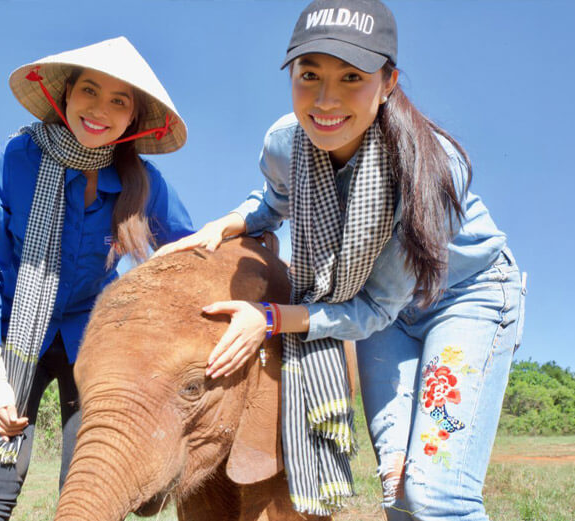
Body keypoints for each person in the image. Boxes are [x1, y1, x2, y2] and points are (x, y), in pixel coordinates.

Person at [155, 0, 526, 519]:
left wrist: (268, 319)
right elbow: (272, 201)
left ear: (389, 81)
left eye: (352, 76)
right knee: (397, 487)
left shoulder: (430, 169)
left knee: (435, 494)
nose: (326, 100)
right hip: (376, 308)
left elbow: (374, 309)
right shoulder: (286, 143)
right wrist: (224, 224)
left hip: (463, 297)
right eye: (310, 75)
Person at [0, 37, 194, 520]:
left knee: (89, 487)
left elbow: (189, 253)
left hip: (96, 341)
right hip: (15, 338)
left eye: (119, 101)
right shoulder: (10, 161)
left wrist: (250, 235)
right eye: (89, 90)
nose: (100, 109)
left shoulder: (144, 183)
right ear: (65, 95)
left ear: (132, 119)